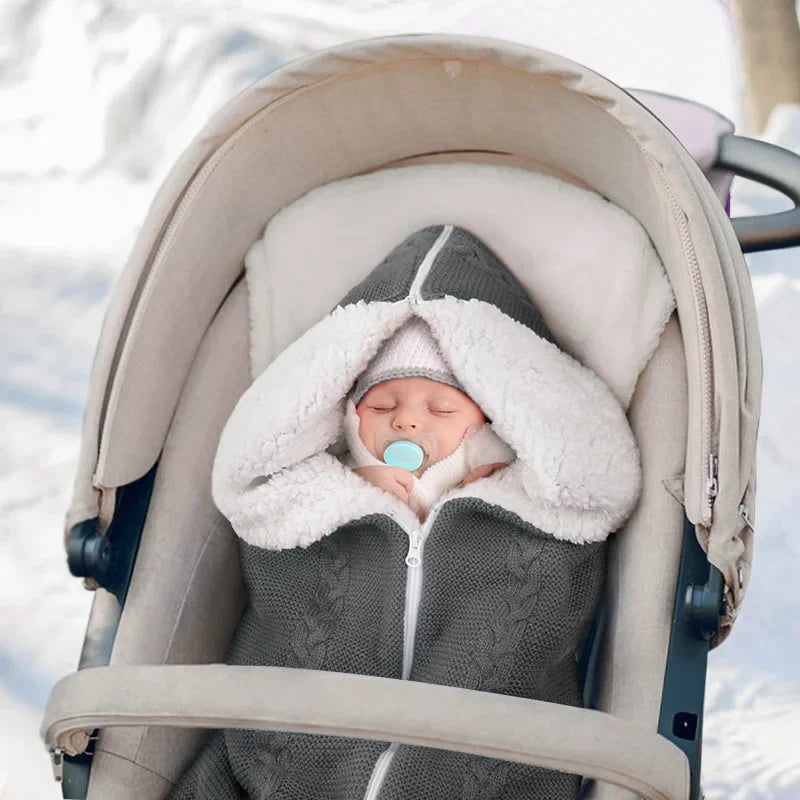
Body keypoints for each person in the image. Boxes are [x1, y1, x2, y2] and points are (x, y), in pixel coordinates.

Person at [169, 224, 641, 800]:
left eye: (442, 406)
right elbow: (254, 468)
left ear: (497, 419)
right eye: (382, 403)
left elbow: (594, 475)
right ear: (341, 416)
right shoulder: (301, 505)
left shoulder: (541, 511)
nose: (408, 421)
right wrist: (349, 490)